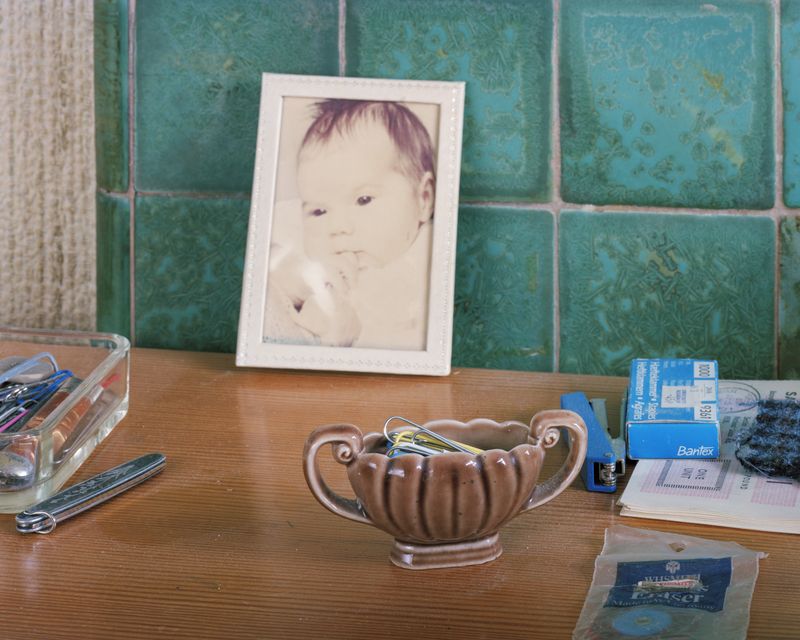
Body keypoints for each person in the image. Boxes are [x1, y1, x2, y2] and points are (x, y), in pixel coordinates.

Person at [264, 99, 436, 350]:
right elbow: (263, 259)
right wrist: (297, 277)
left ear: (423, 199)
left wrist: (347, 337)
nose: (338, 227)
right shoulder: (300, 238)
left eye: (363, 200)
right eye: (319, 211)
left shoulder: (428, 266)